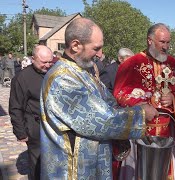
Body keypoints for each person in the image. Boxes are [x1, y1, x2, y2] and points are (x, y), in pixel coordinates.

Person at [39, 17, 158, 179]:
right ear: (75, 45)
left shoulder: (82, 71)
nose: (100, 54)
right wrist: (140, 114)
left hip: (92, 162)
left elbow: (108, 101)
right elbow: (101, 120)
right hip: (72, 168)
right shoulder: (62, 79)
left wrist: (132, 105)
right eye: (96, 48)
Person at [113, 23, 175, 180]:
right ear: (150, 40)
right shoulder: (132, 64)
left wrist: (174, 98)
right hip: (140, 132)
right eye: (162, 42)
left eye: (168, 42)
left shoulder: (174, 64)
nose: (166, 46)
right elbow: (119, 93)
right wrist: (141, 104)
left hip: (167, 133)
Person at [9, 45, 54, 180]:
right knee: (37, 166)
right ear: (33, 59)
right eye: (44, 62)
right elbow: (15, 107)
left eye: (50, 62)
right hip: (36, 128)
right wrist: (21, 132)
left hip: (55, 127)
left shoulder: (53, 72)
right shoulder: (22, 78)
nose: (47, 65)